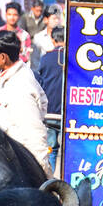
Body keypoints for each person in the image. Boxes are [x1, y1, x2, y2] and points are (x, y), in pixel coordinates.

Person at [0, 29, 48, 170]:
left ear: (3, 57)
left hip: (22, 166)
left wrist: (42, 178)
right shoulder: (12, 77)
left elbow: (35, 136)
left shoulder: (19, 86)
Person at [36, 26, 65, 169]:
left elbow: (39, 80)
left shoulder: (46, 58)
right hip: (69, 113)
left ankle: (51, 185)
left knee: (51, 150)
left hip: (50, 111)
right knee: (68, 151)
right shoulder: (75, 58)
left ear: (53, 40)